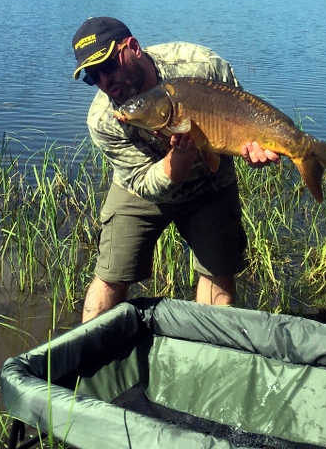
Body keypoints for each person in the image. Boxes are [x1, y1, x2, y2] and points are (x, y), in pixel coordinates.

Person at [72, 16, 279, 322]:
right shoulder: (104, 118)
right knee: (111, 274)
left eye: (108, 66)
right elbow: (143, 182)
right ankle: (88, 356)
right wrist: (177, 162)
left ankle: (213, 353)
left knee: (218, 272)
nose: (104, 81)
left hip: (211, 181)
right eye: (93, 75)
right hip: (142, 188)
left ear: (133, 48)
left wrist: (254, 148)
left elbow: (243, 115)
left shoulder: (202, 66)